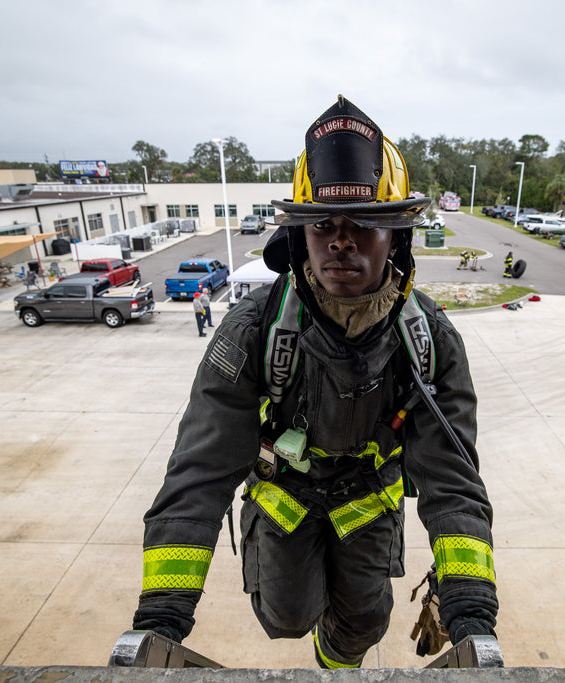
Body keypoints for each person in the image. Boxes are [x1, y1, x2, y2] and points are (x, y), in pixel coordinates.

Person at [132, 96, 497, 669]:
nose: (341, 241)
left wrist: (473, 615)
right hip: (286, 500)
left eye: (365, 226)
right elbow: (199, 471)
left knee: (363, 626)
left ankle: (338, 665)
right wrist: (160, 620)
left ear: (397, 239)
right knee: (285, 619)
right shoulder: (254, 329)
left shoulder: (429, 340)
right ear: (299, 237)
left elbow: (454, 482)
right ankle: (303, 618)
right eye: (322, 224)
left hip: (369, 504)